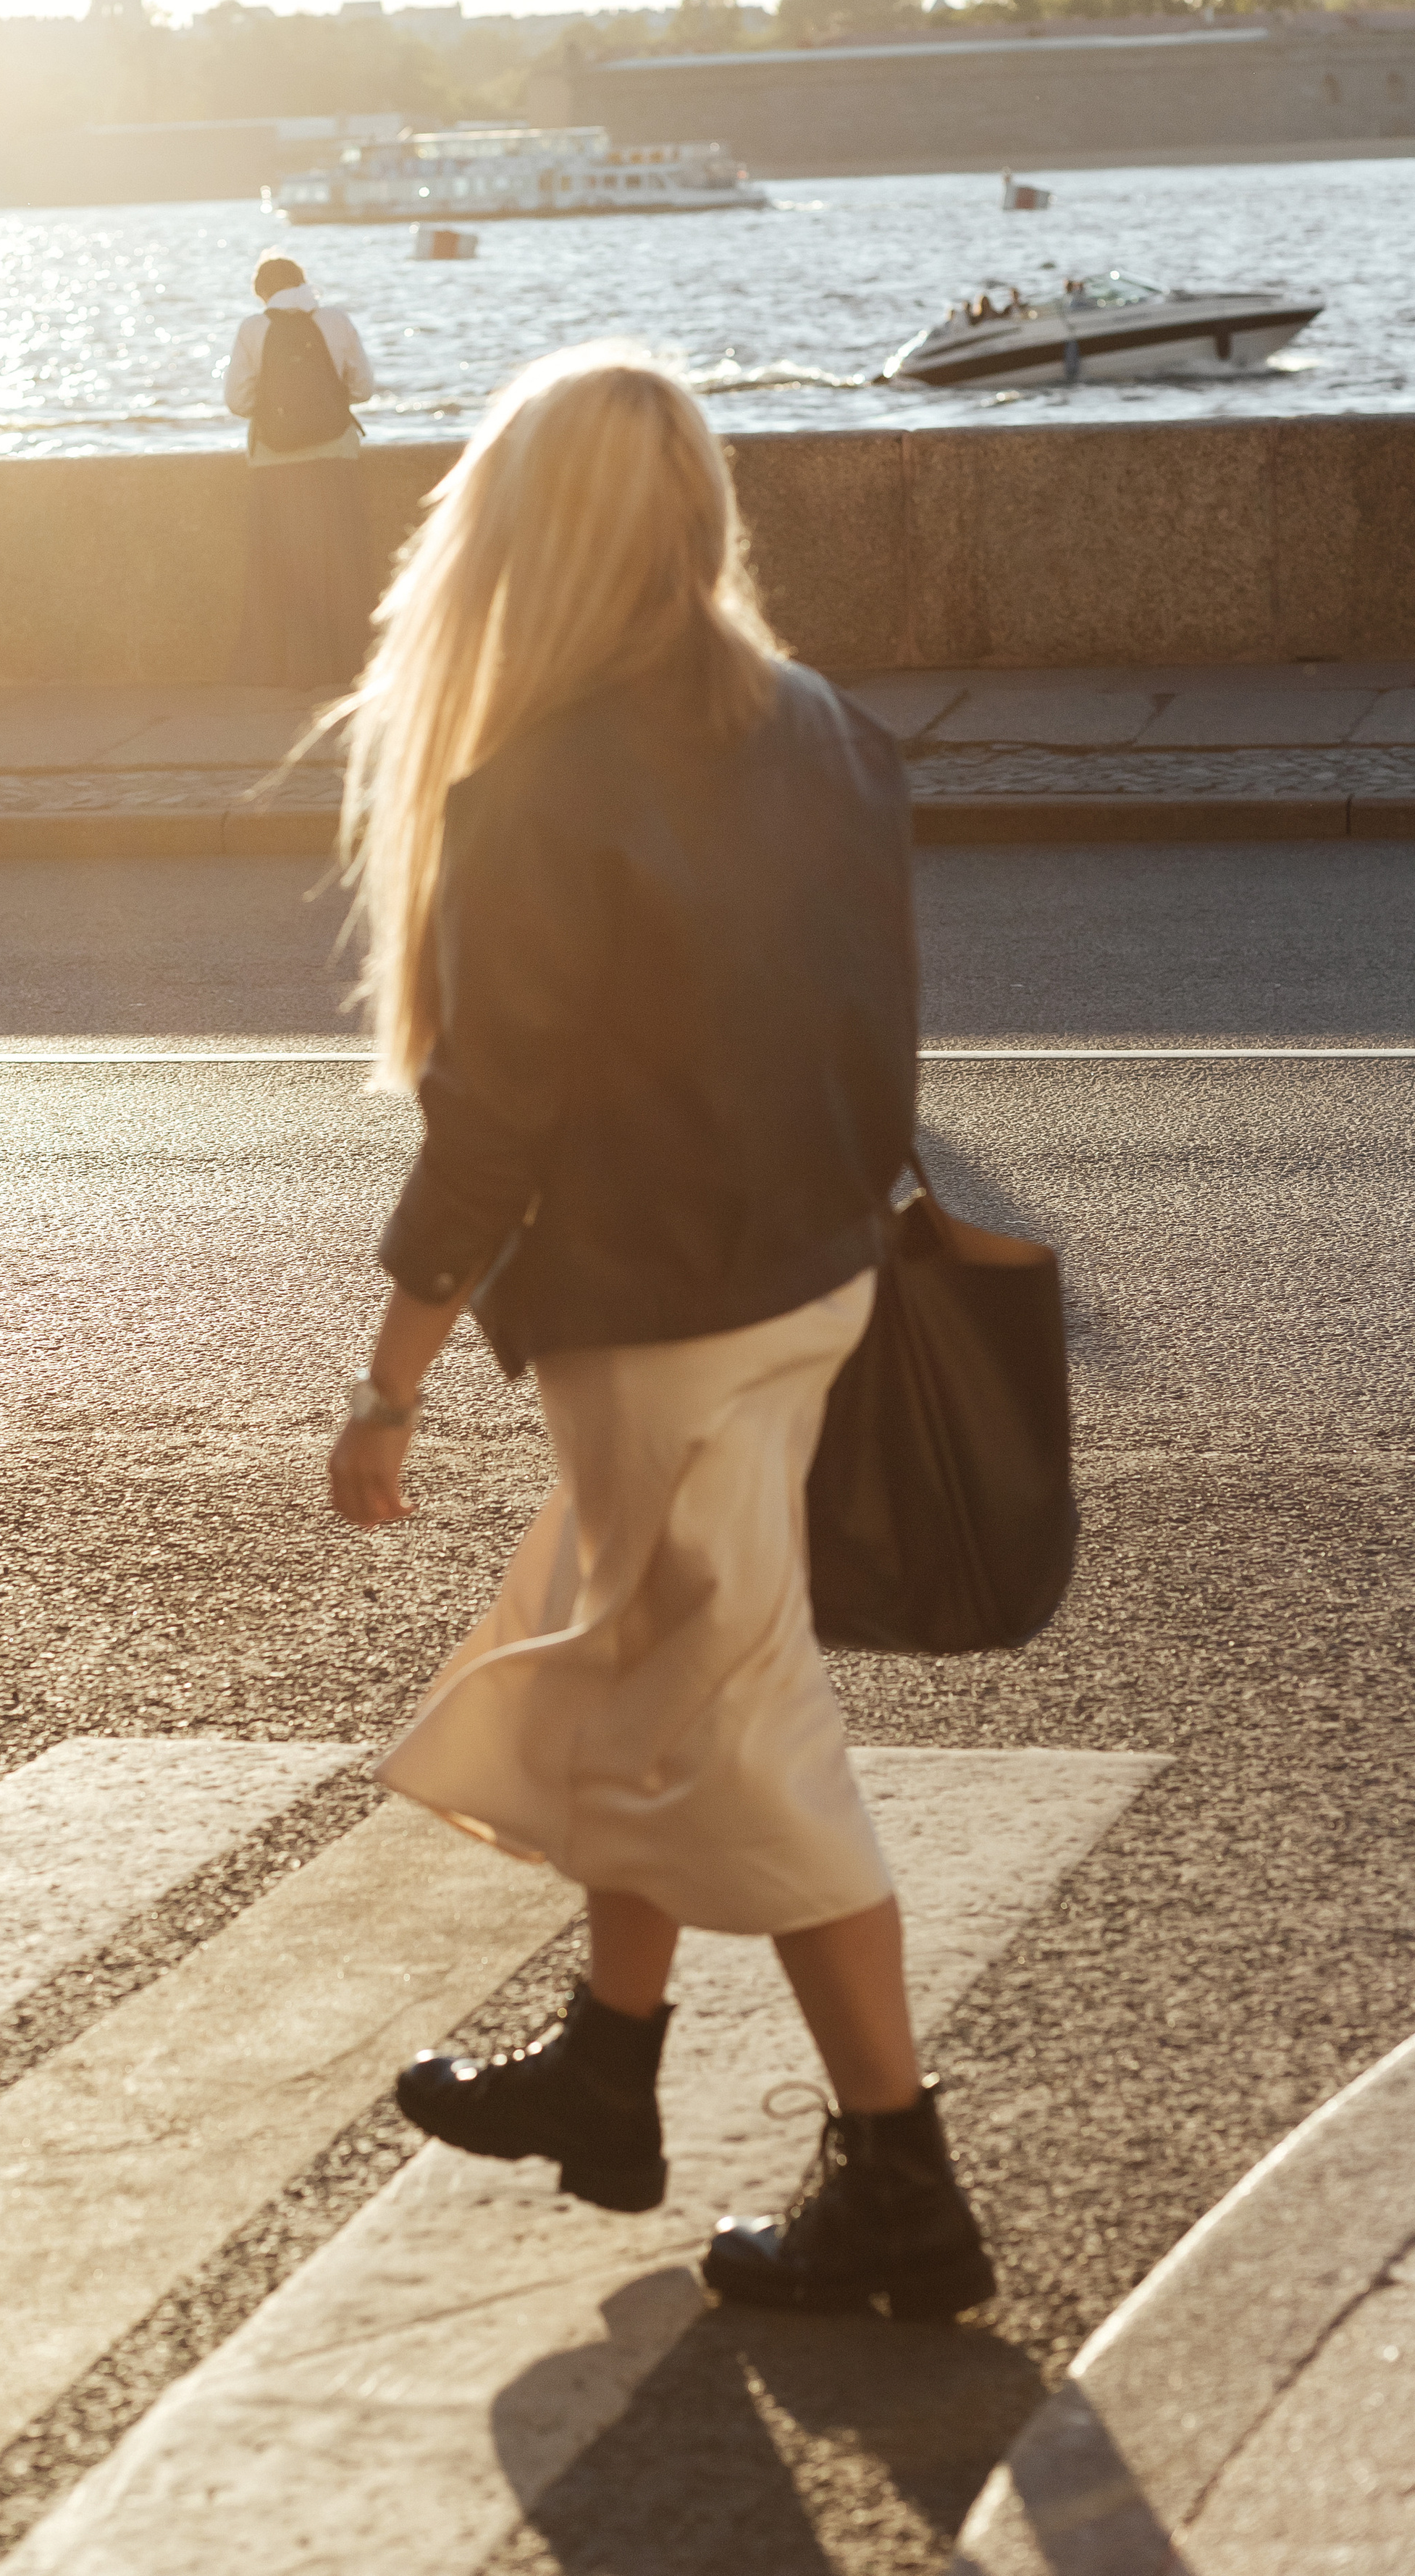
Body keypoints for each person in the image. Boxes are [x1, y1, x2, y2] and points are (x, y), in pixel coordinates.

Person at [324, 345, 996, 2323]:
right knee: (647, 1659)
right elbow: (874, 1036)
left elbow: (493, 1128)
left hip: (660, 1322)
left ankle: (903, 2184)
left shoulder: (538, 787)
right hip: (810, 1284)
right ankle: (609, 2073)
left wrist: (386, 1384)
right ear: (701, 516)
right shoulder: (826, 730)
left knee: (748, 1735)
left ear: (518, 542)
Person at [224, 251, 377, 689]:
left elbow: (237, 400)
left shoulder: (253, 328)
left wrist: (279, 413)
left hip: (275, 462)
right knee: (342, 562)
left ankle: (276, 669)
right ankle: (351, 663)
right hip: (335, 456)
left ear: (263, 294)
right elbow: (364, 388)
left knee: (278, 565)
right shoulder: (336, 320)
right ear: (303, 284)